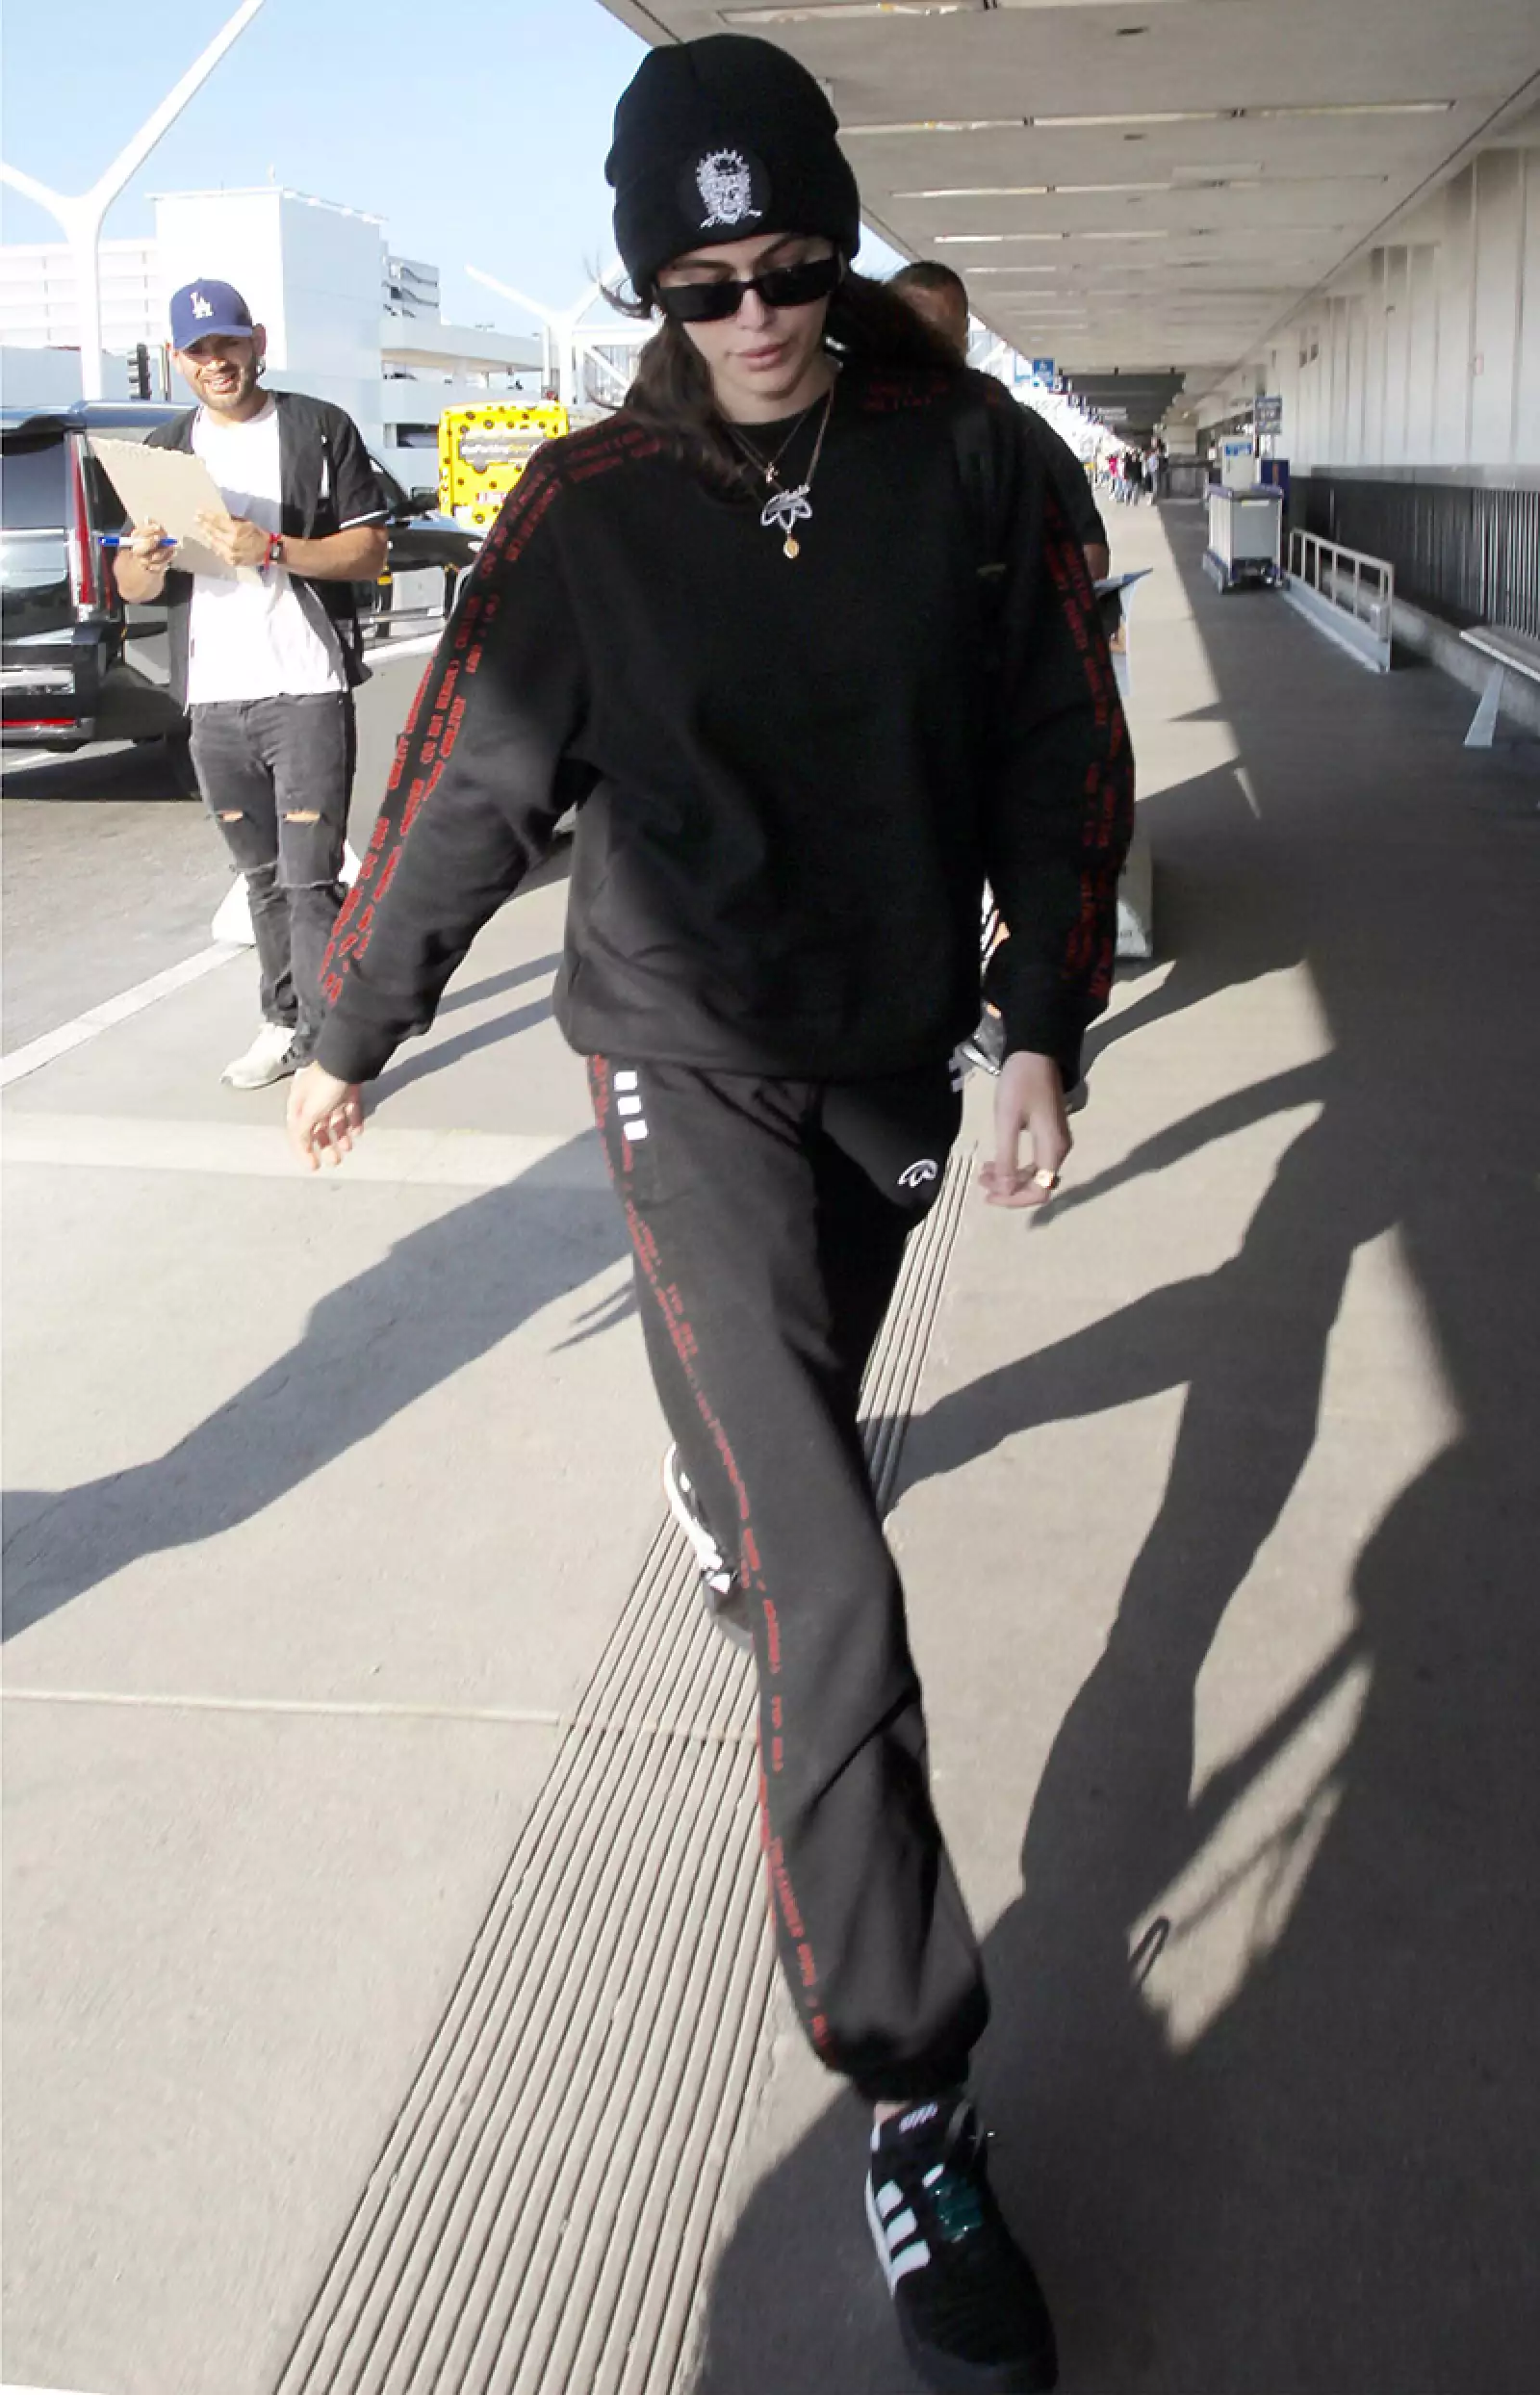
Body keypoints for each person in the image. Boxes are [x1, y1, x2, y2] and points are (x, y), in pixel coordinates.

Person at [287, 36, 1132, 2395]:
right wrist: (355, 1024)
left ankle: (723, 1444)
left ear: (837, 241)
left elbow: (1067, 745)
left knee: (781, 1428)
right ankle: (912, 2089)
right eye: (702, 277)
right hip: (675, 1064)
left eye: (790, 269)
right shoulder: (585, 511)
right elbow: (467, 774)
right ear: (642, 276)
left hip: (882, 1063)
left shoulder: (978, 463)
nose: (755, 313)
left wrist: (1042, 1014)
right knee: (826, 1567)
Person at [113, 280, 387, 1088]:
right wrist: (146, 560)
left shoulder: (317, 429)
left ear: (257, 340)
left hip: (303, 687)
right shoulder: (160, 451)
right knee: (262, 879)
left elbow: (367, 553)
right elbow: (130, 581)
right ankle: (282, 1023)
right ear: (177, 361)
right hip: (214, 700)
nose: (217, 362)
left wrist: (271, 547)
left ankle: (331, 1048)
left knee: (310, 881)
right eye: (199, 352)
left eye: (229, 344)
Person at [889, 262, 1110, 582]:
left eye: (941, 336)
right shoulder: (841, 428)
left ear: (963, 339)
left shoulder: (1011, 427)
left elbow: (1090, 550)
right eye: (911, 334)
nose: (924, 351)